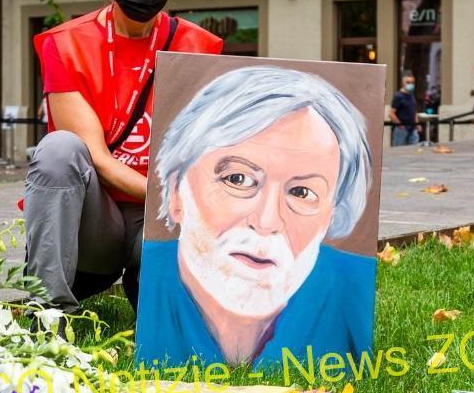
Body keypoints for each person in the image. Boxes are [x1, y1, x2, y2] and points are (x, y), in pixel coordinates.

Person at [24, 0, 223, 315]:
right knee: (59, 150)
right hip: (99, 221)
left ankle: (162, 292)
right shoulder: (66, 45)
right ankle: (48, 311)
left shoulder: (199, 47)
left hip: (161, 226)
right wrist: (169, 198)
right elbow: (93, 156)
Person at [137, 67, 375, 366]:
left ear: (331, 213)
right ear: (175, 191)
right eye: (237, 179)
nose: (266, 222)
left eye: (301, 193)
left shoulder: (354, 292)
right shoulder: (147, 279)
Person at [389, 72, 420, 146]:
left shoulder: (411, 95)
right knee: (399, 151)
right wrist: (400, 125)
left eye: (412, 82)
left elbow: (414, 111)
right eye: (408, 82)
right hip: (402, 130)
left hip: (412, 129)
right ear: (403, 83)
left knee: (414, 150)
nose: (410, 84)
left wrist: (417, 124)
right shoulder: (398, 96)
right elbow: (391, 113)